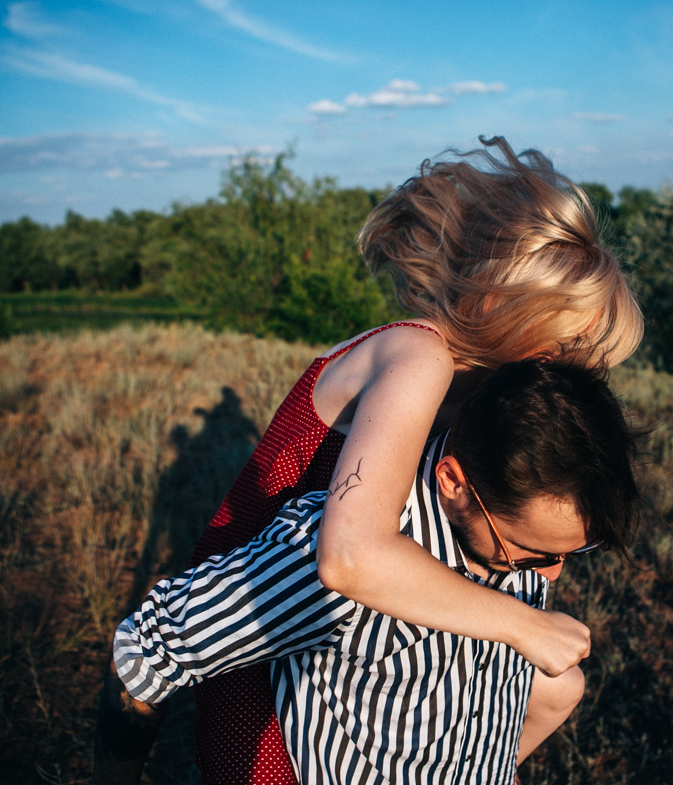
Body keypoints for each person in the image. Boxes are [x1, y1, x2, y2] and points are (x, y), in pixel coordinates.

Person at [93, 137, 643, 784]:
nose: (568, 375)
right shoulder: (421, 360)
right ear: (511, 310)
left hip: (325, 604)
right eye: (567, 349)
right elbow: (349, 553)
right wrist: (522, 624)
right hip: (270, 602)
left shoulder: (462, 387)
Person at [113, 359, 645, 784]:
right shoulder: (333, 552)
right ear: (454, 483)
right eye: (530, 552)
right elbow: (149, 649)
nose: (549, 577)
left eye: (576, 552)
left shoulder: (512, 522)